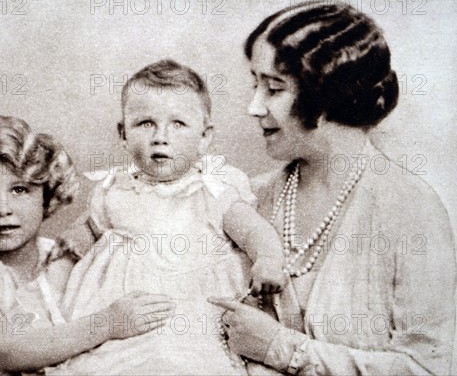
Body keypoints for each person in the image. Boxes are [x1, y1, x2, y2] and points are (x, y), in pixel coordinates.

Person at [209, 1, 457, 375]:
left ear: (325, 97)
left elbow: (423, 368)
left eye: (273, 89)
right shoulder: (247, 201)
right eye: (255, 85)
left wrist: (282, 349)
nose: (254, 107)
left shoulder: (411, 209)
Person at [51, 59, 286, 375]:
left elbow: (254, 231)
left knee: (177, 359)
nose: (160, 137)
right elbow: (92, 226)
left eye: (178, 124)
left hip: (189, 306)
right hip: (118, 310)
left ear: (204, 137)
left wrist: (267, 261)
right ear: (123, 134)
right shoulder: (114, 187)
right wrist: (77, 236)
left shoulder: (212, 189)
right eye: (145, 123)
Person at [0, 113, 175, 375]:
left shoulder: (68, 258)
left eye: (20, 190)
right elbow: (7, 351)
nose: (2, 209)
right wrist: (108, 323)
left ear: (47, 194)